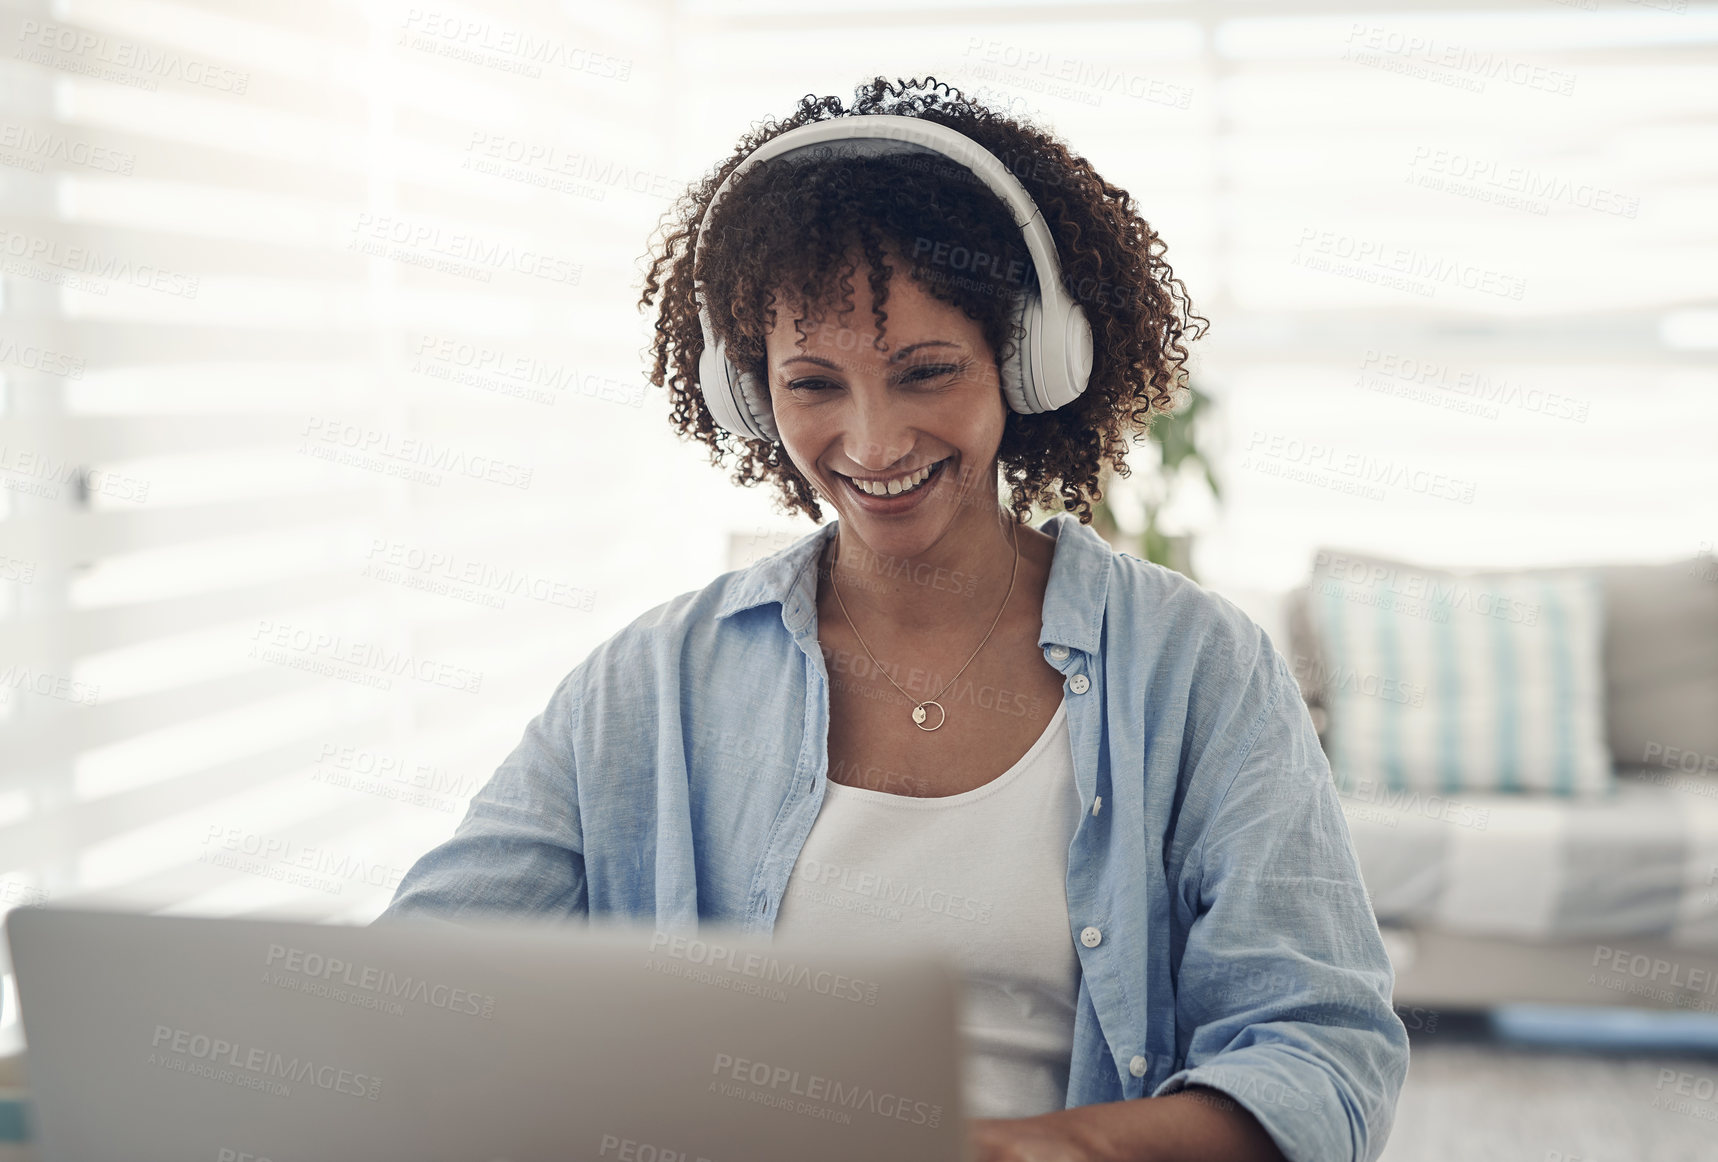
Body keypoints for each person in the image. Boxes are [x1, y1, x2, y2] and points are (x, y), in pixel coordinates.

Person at [377, 75, 1409, 1162]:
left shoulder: (1196, 668)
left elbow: (1320, 1055)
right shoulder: (652, 680)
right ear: (747, 390)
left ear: (1029, 362)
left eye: (926, 372)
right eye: (812, 384)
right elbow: (422, 988)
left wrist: (1031, 1150)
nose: (870, 445)